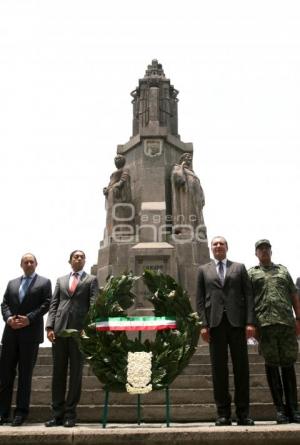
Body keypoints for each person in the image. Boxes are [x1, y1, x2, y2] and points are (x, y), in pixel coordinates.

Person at [196, 236, 256, 426]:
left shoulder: (239, 267)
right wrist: (203, 325)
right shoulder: (203, 270)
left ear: (227, 247)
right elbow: (199, 300)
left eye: (221, 243)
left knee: (241, 369)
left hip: (237, 324)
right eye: (215, 244)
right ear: (211, 248)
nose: (218, 246)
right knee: (218, 371)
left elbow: (248, 295)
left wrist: (250, 323)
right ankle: (223, 414)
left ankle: (243, 413)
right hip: (215, 325)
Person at [248, 239, 300, 424]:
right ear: (256, 253)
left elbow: (294, 295)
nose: (264, 251)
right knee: (272, 367)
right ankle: (280, 410)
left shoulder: (283, 271)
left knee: (288, 366)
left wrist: (298, 318)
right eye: (260, 249)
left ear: (271, 251)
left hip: (286, 323)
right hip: (265, 326)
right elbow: (248, 300)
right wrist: (251, 323)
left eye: (266, 248)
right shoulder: (251, 274)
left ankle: (293, 408)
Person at [45, 250, 98, 427]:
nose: (79, 258)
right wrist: (50, 327)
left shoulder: (91, 280)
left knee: (76, 373)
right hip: (59, 331)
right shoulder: (60, 280)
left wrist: (88, 328)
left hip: (79, 333)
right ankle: (57, 414)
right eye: (76, 256)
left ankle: (70, 414)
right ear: (70, 260)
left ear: (85, 261)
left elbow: (94, 305)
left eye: (82, 256)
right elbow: (54, 305)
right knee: (58, 373)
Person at [0, 253, 51, 426]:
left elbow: (46, 304)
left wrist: (28, 318)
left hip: (30, 335)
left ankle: (20, 413)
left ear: (36, 264)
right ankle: (3, 413)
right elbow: (4, 303)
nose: (29, 264)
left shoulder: (44, 283)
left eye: (31, 261)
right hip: (10, 334)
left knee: (25, 375)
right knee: (5, 375)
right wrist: (8, 319)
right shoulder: (12, 283)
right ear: (21, 264)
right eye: (25, 261)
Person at [171, 152, 206, 239]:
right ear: (182, 159)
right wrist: (181, 167)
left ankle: (198, 230)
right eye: (187, 157)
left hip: (196, 196)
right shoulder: (178, 168)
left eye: (190, 158)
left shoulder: (192, 172)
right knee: (187, 211)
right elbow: (179, 180)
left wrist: (202, 196)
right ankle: (186, 230)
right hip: (185, 195)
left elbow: (199, 185)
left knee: (197, 213)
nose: (189, 159)